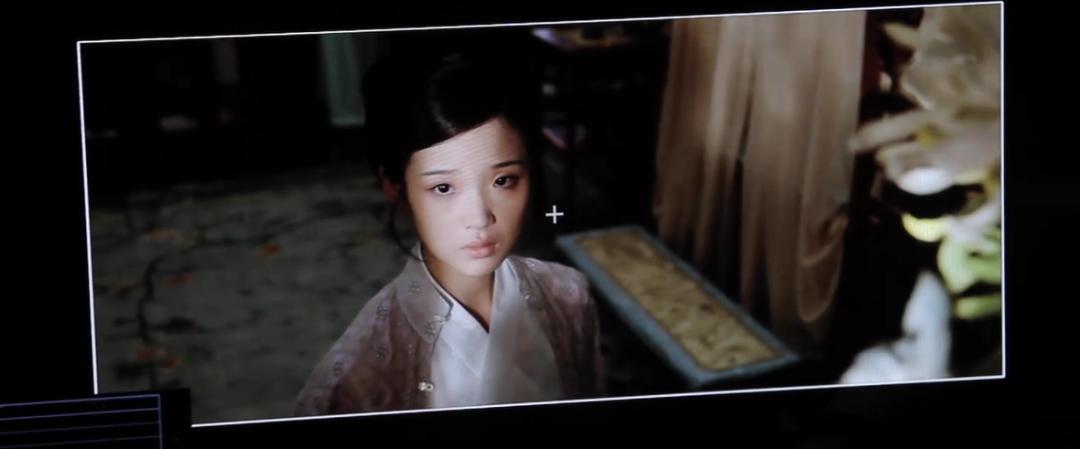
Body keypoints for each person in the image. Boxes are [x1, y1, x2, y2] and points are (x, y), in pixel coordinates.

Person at [295, 50, 603, 415]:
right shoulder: (358, 375)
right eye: (443, 188)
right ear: (396, 188)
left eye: (503, 180)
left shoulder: (569, 295)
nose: (480, 217)